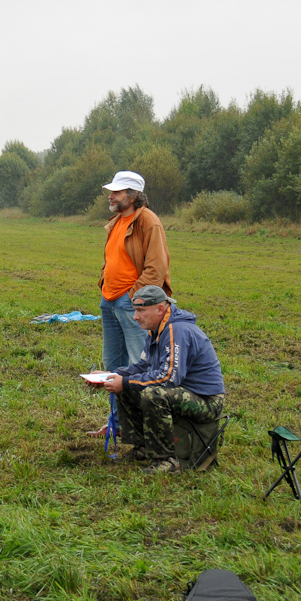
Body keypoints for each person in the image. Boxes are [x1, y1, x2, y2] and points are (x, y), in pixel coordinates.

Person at [90, 285, 225, 474]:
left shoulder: (176, 330)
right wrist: (111, 376)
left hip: (207, 400)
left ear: (160, 309)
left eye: (141, 311)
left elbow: (168, 378)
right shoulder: (157, 329)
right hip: (184, 392)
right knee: (129, 385)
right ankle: (143, 448)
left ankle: (167, 459)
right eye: (135, 310)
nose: (135, 317)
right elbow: (143, 366)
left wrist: (125, 382)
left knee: (152, 394)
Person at [99, 171, 172, 375]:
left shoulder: (148, 221)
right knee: (112, 364)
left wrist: (133, 297)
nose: (110, 196)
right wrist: (104, 283)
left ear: (133, 195)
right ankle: (118, 398)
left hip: (131, 302)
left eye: (117, 192)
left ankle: (142, 397)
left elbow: (157, 268)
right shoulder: (116, 221)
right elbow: (111, 258)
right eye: (111, 192)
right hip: (108, 300)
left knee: (140, 362)